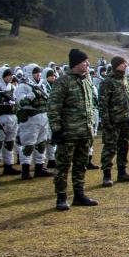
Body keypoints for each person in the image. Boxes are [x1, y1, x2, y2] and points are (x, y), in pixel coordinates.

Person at [47, 49, 99, 211]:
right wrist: (56, 130)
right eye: (85, 62)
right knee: (63, 166)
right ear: (76, 64)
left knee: (81, 164)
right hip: (68, 133)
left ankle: (79, 194)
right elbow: (53, 107)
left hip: (85, 132)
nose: (88, 64)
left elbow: (90, 106)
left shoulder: (86, 81)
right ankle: (61, 197)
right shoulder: (63, 81)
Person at [98, 57, 129, 187]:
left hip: (125, 119)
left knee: (123, 147)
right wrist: (106, 122)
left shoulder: (126, 80)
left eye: (126, 63)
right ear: (116, 65)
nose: (125, 66)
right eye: (123, 64)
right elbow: (103, 104)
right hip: (113, 121)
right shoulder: (107, 82)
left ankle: (122, 172)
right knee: (109, 148)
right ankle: (107, 175)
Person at [14, 64, 53, 179]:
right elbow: (20, 102)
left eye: (39, 72)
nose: (38, 75)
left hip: (43, 117)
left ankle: (39, 168)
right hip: (30, 119)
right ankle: (25, 170)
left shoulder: (42, 85)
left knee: (41, 144)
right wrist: (33, 94)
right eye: (35, 73)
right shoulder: (23, 87)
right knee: (28, 145)